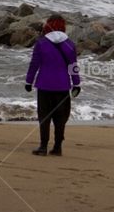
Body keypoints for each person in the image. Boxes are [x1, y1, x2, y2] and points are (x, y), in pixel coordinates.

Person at [25, 14, 81, 156]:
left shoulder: (41, 43)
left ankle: (43, 147)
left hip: (44, 85)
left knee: (44, 116)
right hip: (63, 86)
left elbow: (34, 64)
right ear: (63, 26)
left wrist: (28, 81)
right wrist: (76, 84)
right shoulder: (70, 44)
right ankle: (57, 147)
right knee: (60, 118)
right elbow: (73, 66)